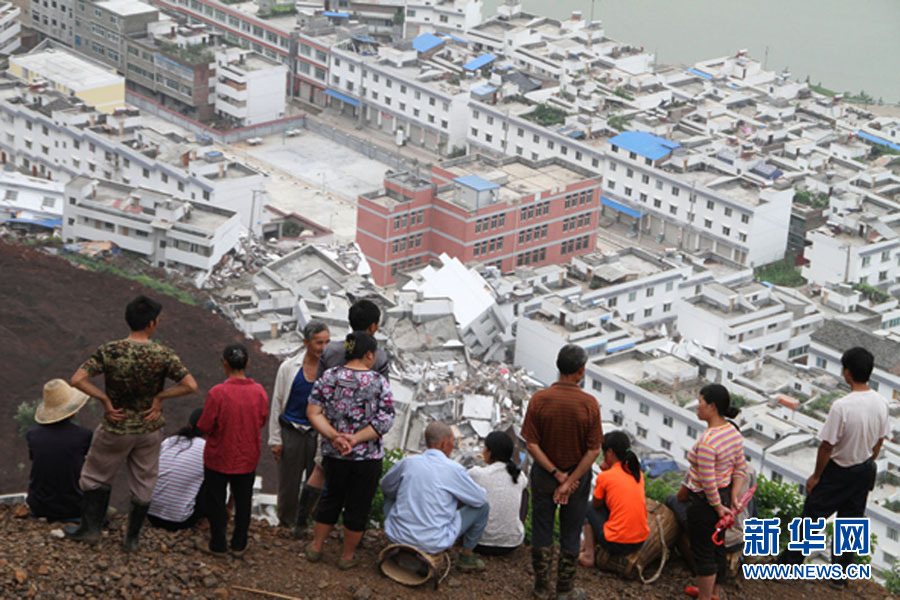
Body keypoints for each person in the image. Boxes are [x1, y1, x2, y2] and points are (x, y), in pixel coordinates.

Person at [66, 295, 198, 552]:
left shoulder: (110, 350)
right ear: (151, 324)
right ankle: (132, 539)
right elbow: (190, 386)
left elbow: (77, 379)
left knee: (95, 476)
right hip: (149, 429)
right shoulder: (163, 354)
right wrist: (160, 397)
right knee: (144, 480)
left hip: (116, 426)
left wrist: (104, 399)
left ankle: (91, 530)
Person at [777, 347, 890, 589]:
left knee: (812, 517)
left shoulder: (842, 406)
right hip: (864, 469)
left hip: (838, 470)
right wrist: (869, 461)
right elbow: (880, 439)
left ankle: (789, 565)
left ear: (847, 372)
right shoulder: (881, 403)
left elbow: (827, 446)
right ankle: (839, 576)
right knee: (850, 523)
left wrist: (816, 476)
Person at [306, 332, 394, 569]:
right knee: (359, 504)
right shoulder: (379, 382)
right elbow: (385, 420)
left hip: (334, 453)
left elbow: (313, 412)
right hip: (367, 457)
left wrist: (335, 436)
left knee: (330, 498)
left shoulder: (329, 377)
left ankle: (316, 547)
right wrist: (355, 439)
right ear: (368, 354)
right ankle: (346, 556)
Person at [521, 344, 603, 600]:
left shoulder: (539, 400)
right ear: (580, 371)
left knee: (543, 528)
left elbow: (531, 444)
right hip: (577, 480)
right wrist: (570, 479)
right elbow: (593, 451)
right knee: (571, 530)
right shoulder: (589, 404)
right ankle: (565, 591)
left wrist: (557, 474)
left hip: (545, 476)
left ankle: (541, 588)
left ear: (559, 367)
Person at [301, 299, 391, 529]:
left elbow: (319, 389)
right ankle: (349, 535)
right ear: (373, 326)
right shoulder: (377, 356)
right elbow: (383, 401)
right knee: (358, 493)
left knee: (322, 473)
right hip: (364, 436)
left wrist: (331, 429)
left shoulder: (331, 350)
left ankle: (302, 524)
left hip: (331, 428)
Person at [381, 421, 489, 571]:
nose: (453, 446)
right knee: (483, 507)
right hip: (433, 542)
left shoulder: (408, 462)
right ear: (444, 443)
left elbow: (385, 486)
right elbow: (480, 500)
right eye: (452, 442)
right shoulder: (454, 470)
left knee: (389, 491)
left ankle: (402, 541)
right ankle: (466, 557)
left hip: (397, 536)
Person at [197, 344, 268, 558]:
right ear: (247, 363)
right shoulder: (259, 392)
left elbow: (205, 425)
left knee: (216, 501)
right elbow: (262, 419)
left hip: (218, 456)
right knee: (243, 501)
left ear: (224, 364)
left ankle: (218, 544)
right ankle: (239, 544)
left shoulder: (217, 393)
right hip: (247, 456)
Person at [676, 384, 747, 600]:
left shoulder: (708, 442)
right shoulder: (731, 432)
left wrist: (717, 507)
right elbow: (740, 468)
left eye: (700, 403)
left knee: (703, 550)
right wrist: (733, 497)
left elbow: (707, 481)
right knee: (717, 546)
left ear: (712, 406)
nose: (697, 407)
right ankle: (713, 592)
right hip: (725, 495)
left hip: (707, 502)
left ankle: (704, 597)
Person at [268, 320, 330, 536]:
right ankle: (285, 522)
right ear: (306, 342)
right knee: (288, 482)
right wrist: (275, 439)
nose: (323, 348)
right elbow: (277, 402)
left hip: (317, 434)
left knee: (316, 481)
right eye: (318, 342)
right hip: (292, 431)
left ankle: (307, 523)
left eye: (326, 342)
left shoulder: (330, 372)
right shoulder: (288, 368)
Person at [578, 431, 649, 567]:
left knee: (587, 507)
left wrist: (605, 472)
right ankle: (587, 545)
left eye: (604, 454)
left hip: (617, 543)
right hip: (640, 541)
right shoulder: (637, 474)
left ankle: (588, 555)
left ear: (609, 453)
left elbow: (596, 505)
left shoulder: (606, 477)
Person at [26, 379, 93, 522]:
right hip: (74, 507)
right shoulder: (85, 436)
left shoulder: (32, 435)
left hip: (39, 506)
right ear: (72, 411)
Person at [467, 431, 527, 556]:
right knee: (524, 493)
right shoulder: (519, 476)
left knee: (466, 493)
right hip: (512, 544)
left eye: (485, 448)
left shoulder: (477, 474)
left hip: (480, 543)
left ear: (490, 452)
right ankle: (512, 528)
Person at [148, 408, 207, 531]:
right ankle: (206, 520)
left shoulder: (170, 441)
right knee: (215, 477)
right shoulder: (208, 449)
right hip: (180, 521)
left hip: (149, 514)